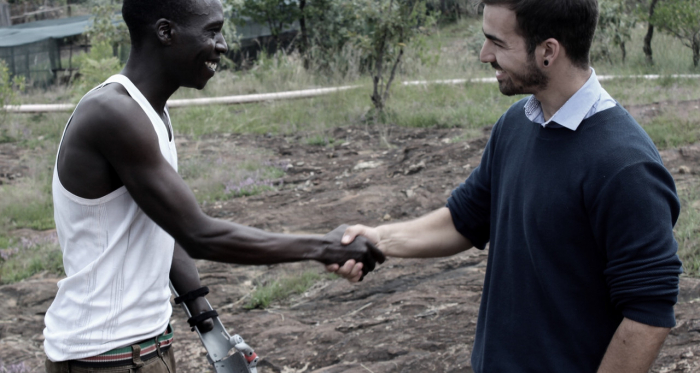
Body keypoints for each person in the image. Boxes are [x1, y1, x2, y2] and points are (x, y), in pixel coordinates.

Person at [329, 0, 683, 372]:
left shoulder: (625, 164)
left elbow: (648, 315)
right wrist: (378, 239)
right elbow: (464, 220)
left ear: (548, 51)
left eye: (497, 43)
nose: (485, 55)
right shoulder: (516, 124)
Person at [43, 0, 383, 371]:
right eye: (212, 31)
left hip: (147, 347)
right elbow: (197, 234)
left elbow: (163, 225)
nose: (222, 45)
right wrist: (324, 248)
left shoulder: (149, 111)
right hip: (107, 358)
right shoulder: (114, 113)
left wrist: (207, 321)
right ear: (166, 32)